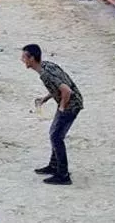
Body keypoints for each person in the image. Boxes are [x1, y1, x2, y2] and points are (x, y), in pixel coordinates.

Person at [22, 44, 85, 185]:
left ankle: (63, 175)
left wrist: (62, 107)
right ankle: (54, 166)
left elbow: (67, 91)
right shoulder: (47, 65)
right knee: (55, 134)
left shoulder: (45, 74)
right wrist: (46, 99)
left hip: (70, 105)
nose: (22, 60)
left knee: (56, 137)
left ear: (32, 58)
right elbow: (61, 85)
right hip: (71, 102)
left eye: (24, 57)